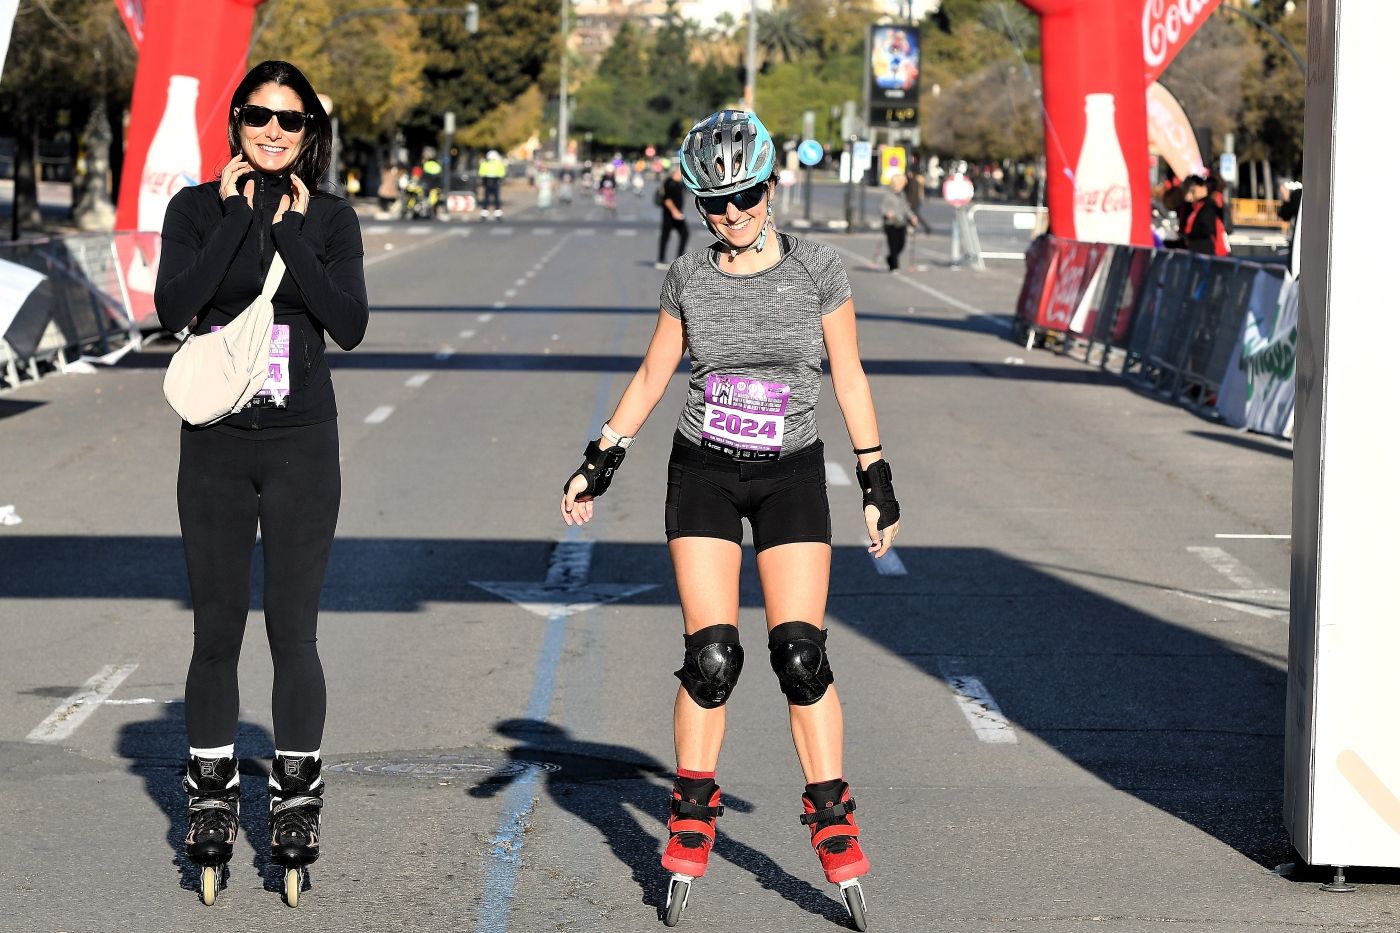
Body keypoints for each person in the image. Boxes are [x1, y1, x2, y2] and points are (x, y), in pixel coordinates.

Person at [559, 109, 899, 930]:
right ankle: (691, 804)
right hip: (704, 470)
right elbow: (652, 372)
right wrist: (600, 457)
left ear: (770, 186)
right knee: (712, 658)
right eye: (713, 202)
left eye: (744, 196)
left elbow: (848, 375)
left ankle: (829, 808)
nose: (731, 214)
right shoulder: (689, 275)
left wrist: (874, 472)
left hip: (790, 474)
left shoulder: (819, 269)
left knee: (800, 653)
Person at [154, 59, 368, 908]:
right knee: (215, 628)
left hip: (300, 443)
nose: (273, 131)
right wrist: (241, 219)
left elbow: (347, 323)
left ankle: (294, 795)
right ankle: (211, 790)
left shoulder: (335, 217)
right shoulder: (195, 209)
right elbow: (178, 306)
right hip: (213, 443)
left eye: (291, 120)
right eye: (257, 116)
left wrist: (288, 234)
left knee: (293, 629)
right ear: (235, 122)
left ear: (311, 133)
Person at [1181, 174, 1228, 255]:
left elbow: (1208, 234)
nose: (1190, 194)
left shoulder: (1208, 206)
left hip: (1208, 256)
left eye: (1192, 189)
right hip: (1207, 254)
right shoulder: (1199, 206)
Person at [880, 173, 915, 271]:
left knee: (901, 244)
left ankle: (890, 258)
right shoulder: (888, 195)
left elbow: (906, 208)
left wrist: (912, 217)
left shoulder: (902, 194)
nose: (903, 185)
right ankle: (894, 266)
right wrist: (887, 213)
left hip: (901, 223)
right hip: (891, 224)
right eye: (902, 183)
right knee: (893, 245)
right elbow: (882, 208)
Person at [656, 163, 689, 269]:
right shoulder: (669, 182)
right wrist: (674, 212)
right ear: (676, 172)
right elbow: (667, 200)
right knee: (665, 236)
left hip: (677, 214)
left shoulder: (679, 184)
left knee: (685, 234)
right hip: (669, 215)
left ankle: (678, 259)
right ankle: (661, 260)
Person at [478, 148, 506, 220]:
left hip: (487, 182)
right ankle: (498, 215)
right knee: (496, 199)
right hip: (496, 182)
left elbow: (481, 173)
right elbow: (502, 174)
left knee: (486, 199)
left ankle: (484, 215)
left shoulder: (484, 164)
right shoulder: (499, 164)